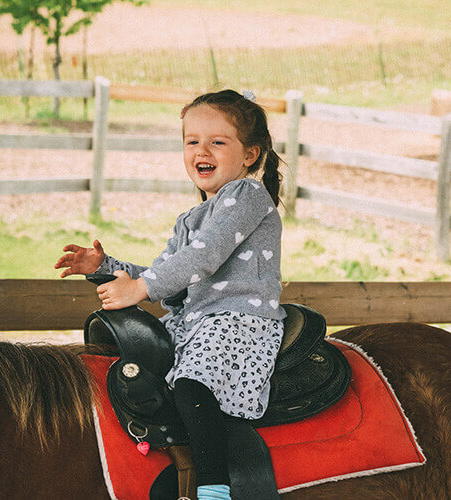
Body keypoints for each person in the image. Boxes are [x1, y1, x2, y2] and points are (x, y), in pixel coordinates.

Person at [54, 89, 286, 500]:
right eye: (192, 141)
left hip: (238, 321)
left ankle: (214, 490)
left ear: (250, 155)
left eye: (218, 141)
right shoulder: (190, 219)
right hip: (198, 322)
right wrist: (106, 269)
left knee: (193, 387)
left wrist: (140, 289)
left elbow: (206, 256)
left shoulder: (248, 196)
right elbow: (169, 276)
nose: (203, 150)